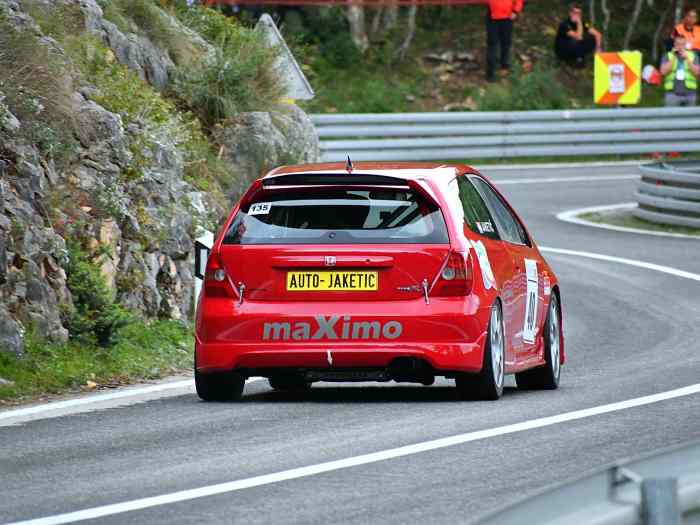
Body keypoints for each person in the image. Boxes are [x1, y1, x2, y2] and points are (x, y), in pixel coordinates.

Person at [485, 0, 523, 82]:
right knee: (492, 44)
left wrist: (515, 11)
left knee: (506, 43)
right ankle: (490, 72)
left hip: (507, 18)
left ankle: (504, 66)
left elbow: (519, 1)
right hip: (493, 18)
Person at [660, 34, 700, 107]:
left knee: (690, 118)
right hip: (672, 94)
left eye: (682, 44)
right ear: (674, 44)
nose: (680, 47)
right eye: (678, 44)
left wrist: (687, 59)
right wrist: (674, 57)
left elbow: (697, 72)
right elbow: (663, 72)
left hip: (690, 94)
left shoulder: (693, 56)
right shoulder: (668, 55)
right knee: (670, 117)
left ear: (685, 45)